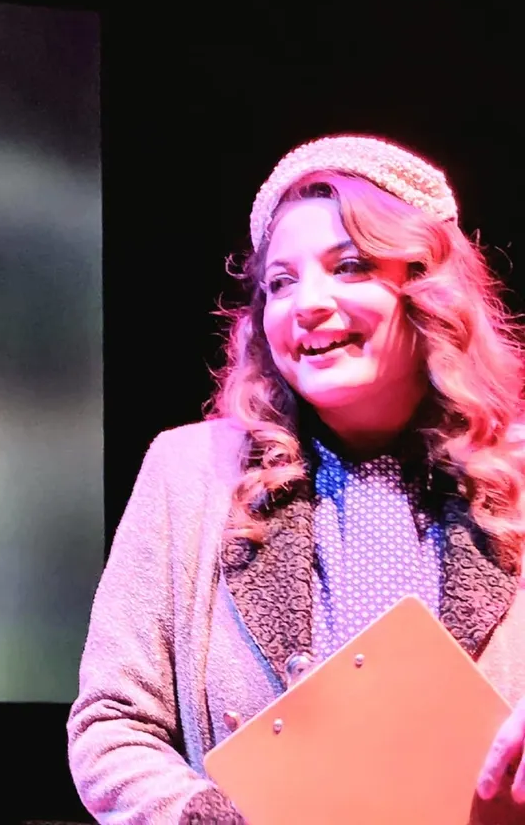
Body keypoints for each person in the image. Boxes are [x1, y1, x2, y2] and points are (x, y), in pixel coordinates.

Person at [67, 134, 525, 822]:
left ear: (426, 287)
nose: (306, 304)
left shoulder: (515, 474)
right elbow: (112, 725)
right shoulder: (191, 474)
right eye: (280, 282)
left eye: (349, 266)